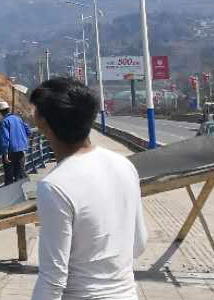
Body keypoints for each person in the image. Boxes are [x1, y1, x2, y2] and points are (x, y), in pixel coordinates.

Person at [30, 77, 147, 300]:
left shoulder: (55, 185)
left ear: (43, 123)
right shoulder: (124, 164)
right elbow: (139, 244)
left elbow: (52, 278)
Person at [0, 100, 30, 183]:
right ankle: (22, 193)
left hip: (10, 151)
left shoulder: (4, 122)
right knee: (20, 174)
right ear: (8, 109)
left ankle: (11, 194)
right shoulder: (18, 119)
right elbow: (28, 131)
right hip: (21, 150)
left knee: (9, 177)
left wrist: (5, 154)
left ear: (0, 112)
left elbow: (5, 138)